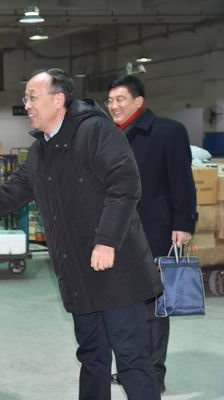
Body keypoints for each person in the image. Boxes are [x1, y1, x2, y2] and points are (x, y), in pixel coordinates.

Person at [0, 69, 163, 400]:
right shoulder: (41, 151)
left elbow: (125, 185)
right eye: (26, 98)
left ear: (58, 99)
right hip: (78, 272)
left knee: (131, 358)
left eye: (33, 97)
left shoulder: (95, 131)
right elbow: (8, 195)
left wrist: (106, 240)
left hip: (116, 269)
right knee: (92, 356)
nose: (27, 105)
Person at [106, 75, 197, 394]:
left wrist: (184, 223)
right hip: (117, 235)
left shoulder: (168, 132)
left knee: (154, 309)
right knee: (124, 307)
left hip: (155, 233)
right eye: (110, 100)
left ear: (138, 102)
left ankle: (153, 374)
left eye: (120, 99)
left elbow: (182, 182)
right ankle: (132, 369)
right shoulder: (110, 135)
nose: (113, 106)